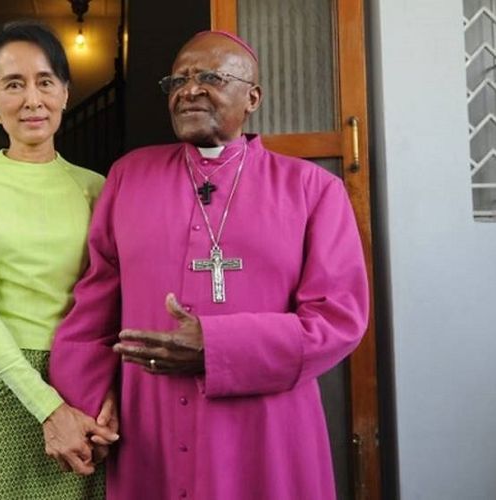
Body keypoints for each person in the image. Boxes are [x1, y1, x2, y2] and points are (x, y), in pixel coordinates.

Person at [48, 30, 369, 500]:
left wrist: (219, 347)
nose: (189, 89)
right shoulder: (130, 176)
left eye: (210, 77)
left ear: (252, 97)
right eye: (177, 80)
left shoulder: (312, 189)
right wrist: (91, 403)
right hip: (149, 424)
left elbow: (338, 318)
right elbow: (93, 305)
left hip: (267, 429)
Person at [0, 21, 118, 499]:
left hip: (81, 384)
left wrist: (113, 393)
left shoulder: (98, 187)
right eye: (13, 84)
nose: (33, 99)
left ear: (65, 93)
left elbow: (115, 300)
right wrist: (47, 409)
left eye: (45, 81)